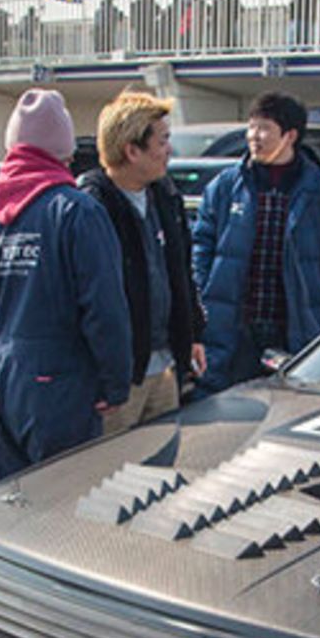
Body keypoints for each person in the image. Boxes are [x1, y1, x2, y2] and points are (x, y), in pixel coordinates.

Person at [0, 89, 130, 478]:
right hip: (59, 380)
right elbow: (105, 309)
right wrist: (114, 384)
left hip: (0, 376)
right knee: (64, 497)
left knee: (14, 497)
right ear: (63, 151)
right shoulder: (76, 212)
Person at [191, 91, 320, 393]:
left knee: (290, 404)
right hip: (234, 325)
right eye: (251, 127)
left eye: (264, 128)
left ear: (290, 136)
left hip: (293, 326)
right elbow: (202, 246)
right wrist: (203, 292)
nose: (254, 137)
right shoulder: (226, 186)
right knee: (223, 403)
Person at [75, 91, 205, 433]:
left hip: (165, 367)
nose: (169, 151)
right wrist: (103, 376)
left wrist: (192, 335)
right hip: (119, 378)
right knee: (112, 463)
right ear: (132, 151)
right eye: (162, 141)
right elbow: (84, 300)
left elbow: (181, 272)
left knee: (162, 461)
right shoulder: (90, 206)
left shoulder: (166, 196)